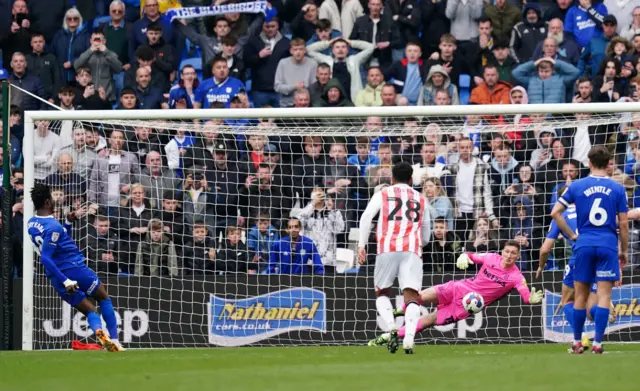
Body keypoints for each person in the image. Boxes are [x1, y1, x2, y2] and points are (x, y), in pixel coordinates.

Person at [369, 240, 544, 346]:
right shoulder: (491, 257)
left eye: (513, 253)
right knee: (420, 296)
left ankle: (388, 336)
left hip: (465, 306)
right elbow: (470, 255)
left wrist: (530, 298)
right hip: (459, 287)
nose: (509, 255)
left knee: (429, 320)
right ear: (502, 251)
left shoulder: (516, 276)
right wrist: (463, 256)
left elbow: (525, 295)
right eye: (507, 251)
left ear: (518, 257)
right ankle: (400, 310)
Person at [27, 183, 124, 352]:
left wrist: (68, 222)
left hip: (54, 275)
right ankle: (114, 340)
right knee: (103, 296)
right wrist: (67, 280)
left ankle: (102, 336)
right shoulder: (53, 226)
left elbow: (58, 242)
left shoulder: (31, 223)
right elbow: (45, 257)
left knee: (90, 311)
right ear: (48, 202)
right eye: (51, 197)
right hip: (72, 269)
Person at [551, 146, 628, 354]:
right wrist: (625, 250)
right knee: (604, 296)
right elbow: (623, 224)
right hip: (607, 244)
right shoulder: (618, 188)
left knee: (580, 296)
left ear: (589, 162)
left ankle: (577, 342)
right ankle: (598, 343)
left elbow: (555, 212)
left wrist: (571, 234)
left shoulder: (577, 186)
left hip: (584, 243)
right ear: (609, 163)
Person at [357, 162, 430, 354]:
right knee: (412, 295)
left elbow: (366, 218)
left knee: (382, 293)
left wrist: (361, 246)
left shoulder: (382, 193)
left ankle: (391, 327)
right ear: (411, 178)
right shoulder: (421, 198)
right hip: (412, 250)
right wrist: (417, 242)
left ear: (392, 178)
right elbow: (427, 234)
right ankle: (409, 338)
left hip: (387, 248)